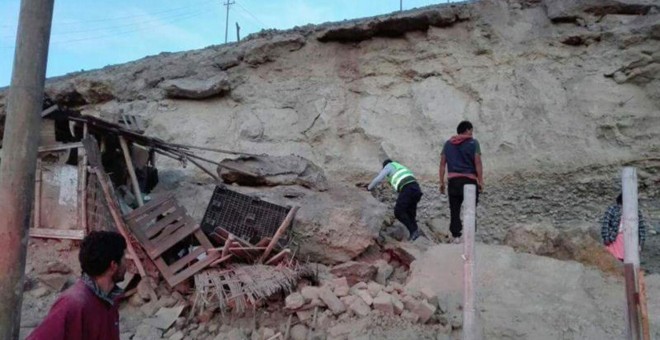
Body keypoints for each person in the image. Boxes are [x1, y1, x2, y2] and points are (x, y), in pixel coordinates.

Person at [27, 231, 128, 340]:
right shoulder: (73, 304)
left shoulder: (109, 299)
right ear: (113, 266)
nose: (126, 264)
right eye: (124, 259)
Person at [439, 121, 483, 243]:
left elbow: (442, 164)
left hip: (453, 181)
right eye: (471, 130)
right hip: (469, 181)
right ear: (468, 130)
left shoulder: (447, 144)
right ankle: (469, 237)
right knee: (470, 210)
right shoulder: (474, 143)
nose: (472, 133)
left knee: (454, 209)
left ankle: (456, 236)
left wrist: (441, 182)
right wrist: (480, 181)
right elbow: (478, 163)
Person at [367, 159, 423, 241]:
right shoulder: (400, 167)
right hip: (416, 189)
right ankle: (415, 235)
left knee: (398, 212)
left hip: (407, 188)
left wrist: (369, 188)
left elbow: (378, 178)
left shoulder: (389, 166)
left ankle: (414, 232)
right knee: (410, 214)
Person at [601, 193, 647, 261]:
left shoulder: (636, 212)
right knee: (613, 260)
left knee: (629, 261)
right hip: (614, 239)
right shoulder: (612, 209)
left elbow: (641, 228)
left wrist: (641, 244)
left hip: (631, 240)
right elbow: (606, 224)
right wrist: (606, 238)